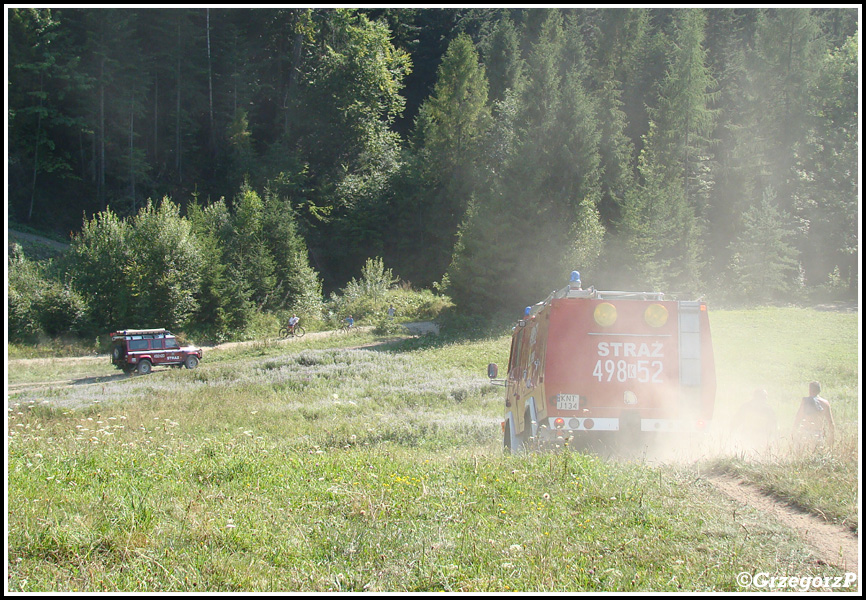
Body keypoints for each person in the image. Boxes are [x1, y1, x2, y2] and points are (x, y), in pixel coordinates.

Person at [793, 381, 835, 447]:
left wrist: (794, 431)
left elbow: (798, 417)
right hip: (818, 434)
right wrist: (832, 437)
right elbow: (830, 422)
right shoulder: (825, 403)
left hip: (806, 433)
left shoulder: (805, 401)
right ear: (819, 390)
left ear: (809, 390)